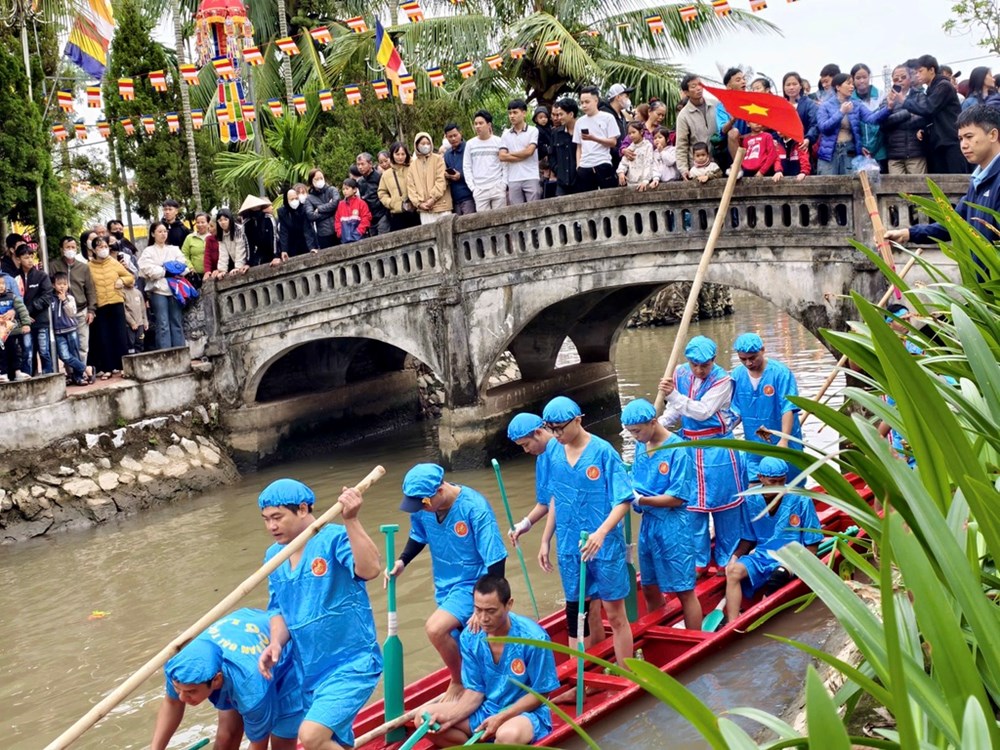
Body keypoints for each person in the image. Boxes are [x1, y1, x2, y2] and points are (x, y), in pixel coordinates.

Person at [256, 479, 382, 750]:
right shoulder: (273, 556)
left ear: (302, 509)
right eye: (266, 519)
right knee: (333, 742)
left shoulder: (333, 538)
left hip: (351, 663)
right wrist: (276, 643)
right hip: (310, 669)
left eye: (277, 517)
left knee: (311, 735)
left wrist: (352, 521)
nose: (271, 526)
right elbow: (278, 608)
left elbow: (370, 569)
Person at [386, 463, 507, 698]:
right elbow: (418, 536)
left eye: (422, 503)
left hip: (474, 584)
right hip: (445, 586)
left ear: (440, 490)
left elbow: (496, 560)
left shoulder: (474, 508)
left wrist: (481, 606)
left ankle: (458, 680)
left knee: (435, 629)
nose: (419, 508)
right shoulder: (423, 507)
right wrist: (402, 561)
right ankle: (477, 681)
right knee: (461, 639)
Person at [540, 395, 634, 668]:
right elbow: (556, 497)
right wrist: (545, 539)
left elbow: (623, 500)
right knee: (581, 613)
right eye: (551, 429)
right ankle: (588, 678)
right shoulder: (553, 453)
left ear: (578, 420)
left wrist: (602, 532)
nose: (556, 434)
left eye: (560, 428)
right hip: (571, 545)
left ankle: (627, 676)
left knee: (615, 615)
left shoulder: (603, 452)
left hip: (604, 545)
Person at [506, 413, 607, 649]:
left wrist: (545, 539)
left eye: (526, 444)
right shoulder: (544, 458)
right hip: (569, 534)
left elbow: (563, 497)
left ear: (539, 433)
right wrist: (526, 524)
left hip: (591, 530)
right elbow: (549, 500)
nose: (526, 450)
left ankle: (585, 662)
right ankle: (597, 656)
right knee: (586, 602)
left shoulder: (569, 450)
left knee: (584, 603)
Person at [420, 576, 559, 747]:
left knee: (507, 736)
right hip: (487, 709)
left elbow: (541, 693)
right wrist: (450, 717)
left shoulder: (534, 638)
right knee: (424, 718)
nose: (483, 618)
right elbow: (475, 691)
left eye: (491, 611)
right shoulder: (470, 636)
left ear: (509, 605)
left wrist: (501, 717)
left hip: (524, 714)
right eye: (478, 610)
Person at [152, 607, 303, 750]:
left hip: (283, 657)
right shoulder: (180, 668)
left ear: (216, 680)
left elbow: (258, 745)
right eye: (178, 689)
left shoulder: (252, 693)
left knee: (281, 743)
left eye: (191, 692)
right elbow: (172, 704)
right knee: (225, 739)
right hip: (240, 635)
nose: (183, 697)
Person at [658, 336, 747, 572]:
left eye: (705, 365)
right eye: (694, 365)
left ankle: (726, 558)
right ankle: (698, 560)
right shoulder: (680, 373)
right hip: (689, 449)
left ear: (713, 361)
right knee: (692, 506)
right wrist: (659, 426)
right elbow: (675, 409)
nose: (699, 370)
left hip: (718, 448)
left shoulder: (722, 380)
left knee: (725, 505)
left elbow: (702, 411)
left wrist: (672, 395)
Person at [621, 399, 702, 629]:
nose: (635, 436)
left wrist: (641, 499)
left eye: (637, 431)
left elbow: (677, 497)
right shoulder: (640, 446)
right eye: (630, 432)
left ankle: (694, 641)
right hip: (649, 523)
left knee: (684, 589)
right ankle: (660, 634)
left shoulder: (677, 449)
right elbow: (637, 481)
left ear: (653, 422)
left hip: (673, 525)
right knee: (649, 585)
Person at [885, 105, 1000, 248]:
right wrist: (909, 233)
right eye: (960, 139)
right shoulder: (977, 180)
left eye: (969, 137)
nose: (963, 145)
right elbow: (954, 223)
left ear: (993, 135)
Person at [724, 458, 822, 622]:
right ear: (761, 477)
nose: (777, 486)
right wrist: (734, 558)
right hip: (763, 553)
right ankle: (732, 622)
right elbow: (747, 538)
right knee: (734, 572)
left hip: (792, 553)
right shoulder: (750, 500)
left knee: (779, 574)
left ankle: (761, 615)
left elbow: (812, 542)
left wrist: (806, 564)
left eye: (781, 481)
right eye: (772, 481)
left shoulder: (801, 499)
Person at [729, 332, 803, 482]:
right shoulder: (737, 375)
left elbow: (788, 408)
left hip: (781, 442)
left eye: (752, 358)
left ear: (762, 350)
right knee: (756, 486)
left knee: (789, 483)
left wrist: (784, 440)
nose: (748, 363)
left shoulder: (780, 373)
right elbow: (735, 411)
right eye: (743, 359)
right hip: (755, 444)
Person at [894, 54, 966, 174]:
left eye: (920, 71)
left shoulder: (943, 86)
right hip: (939, 141)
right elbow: (931, 115)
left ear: (931, 70)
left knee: (955, 179)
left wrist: (904, 101)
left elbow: (929, 108)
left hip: (950, 140)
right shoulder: (932, 88)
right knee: (940, 182)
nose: (918, 75)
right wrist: (922, 127)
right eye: (916, 72)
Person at [816, 73, 889, 176]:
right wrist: (841, 112)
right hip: (829, 153)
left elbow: (871, 118)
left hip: (849, 150)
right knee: (828, 187)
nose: (852, 86)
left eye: (852, 84)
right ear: (838, 87)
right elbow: (823, 128)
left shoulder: (856, 104)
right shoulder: (825, 106)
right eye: (848, 83)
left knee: (850, 185)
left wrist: (888, 108)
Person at [86, 235, 134, 378]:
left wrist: (122, 280)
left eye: (106, 246)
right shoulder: (88, 267)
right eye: (100, 247)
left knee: (120, 335)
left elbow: (130, 277)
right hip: (100, 305)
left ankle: (123, 367)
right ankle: (108, 367)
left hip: (116, 302)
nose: (104, 249)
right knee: (103, 337)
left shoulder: (113, 263)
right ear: (94, 249)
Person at [139, 221, 191, 350]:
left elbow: (183, 267)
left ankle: (180, 351)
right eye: (160, 231)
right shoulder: (148, 251)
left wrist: (166, 269)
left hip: (175, 289)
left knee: (176, 321)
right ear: (153, 234)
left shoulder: (174, 249)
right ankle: (165, 352)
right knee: (162, 323)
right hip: (158, 290)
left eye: (165, 231)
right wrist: (166, 271)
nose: (163, 234)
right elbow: (146, 269)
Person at [50, 236, 96, 366]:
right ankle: (74, 373)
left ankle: (80, 374)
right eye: (67, 247)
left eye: (73, 247)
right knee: (67, 347)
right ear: (61, 249)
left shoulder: (83, 268)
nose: (71, 250)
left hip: (81, 311)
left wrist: (91, 310)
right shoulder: (54, 266)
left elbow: (90, 290)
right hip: (62, 313)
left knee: (82, 345)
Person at [15, 245, 54, 376]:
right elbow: (14, 299)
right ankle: (28, 378)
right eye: (26, 257)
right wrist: (24, 316)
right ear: (19, 259)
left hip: (41, 320)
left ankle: (49, 377)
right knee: (27, 352)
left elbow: (47, 297)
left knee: (44, 351)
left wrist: (28, 310)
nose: (30, 260)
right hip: (24, 323)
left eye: (32, 257)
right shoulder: (15, 278)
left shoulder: (41, 276)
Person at [883, 65, 929, 175]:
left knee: (918, 189)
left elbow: (923, 117)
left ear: (910, 78)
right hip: (894, 154)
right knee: (897, 191)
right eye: (895, 78)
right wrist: (908, 113)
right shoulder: (888, 98)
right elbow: (884, 122)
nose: (899, 80)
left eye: (903, 77)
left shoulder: (919, 96)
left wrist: (895, 121)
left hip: (915, 152)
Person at [574, 86, 620, 192]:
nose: (584, 105)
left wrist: (594, 138)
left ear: (596, 101)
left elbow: (613, 142)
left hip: (603, 162)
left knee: (608, 196)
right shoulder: (579, 121)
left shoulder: (608, 118)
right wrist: (578, 165)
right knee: (587, 199)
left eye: (587, 102)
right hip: (584, 166)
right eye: (582, 102)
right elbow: (579, 146)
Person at [676, 74, 718, 179]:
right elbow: (681, 144)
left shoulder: (715, 105)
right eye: (693, 86)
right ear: (686, 92)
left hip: (717, 164)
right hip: (697, 169)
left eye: (699, 84)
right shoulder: (683, 115)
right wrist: (683, 169)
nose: (698, 88)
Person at [51, 272, 90, 385]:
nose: (62, 286)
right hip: (58, 332)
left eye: (64, 284)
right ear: (54, 285)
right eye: (59, 284)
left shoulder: (70, 298)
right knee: (64, 356)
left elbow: (72, 312)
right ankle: (86, 369)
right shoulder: (51, 299)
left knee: (75, 353)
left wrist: (64, 300)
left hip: (71, 329)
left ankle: (78, 377)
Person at [463, 110, 507, 211]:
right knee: (483, 223)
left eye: (481, 123)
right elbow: (467, 166)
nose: (478, 126)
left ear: (489, 125)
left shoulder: (499, 141)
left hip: (497, 187)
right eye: (476, 124)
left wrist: (503, 184)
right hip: (479, 190)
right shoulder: (470, 144)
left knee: (501, 219)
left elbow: (505, 164)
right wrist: (473, 188)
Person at [499, 99, 540, 204]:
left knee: (535, 209)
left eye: (515, 112)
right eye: (510, 113)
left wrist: (510, 154)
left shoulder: (533, 131)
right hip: (513, 178)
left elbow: (530, 152)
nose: (512, 116)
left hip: (531, 176)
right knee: (516, 211)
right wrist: (524, 153)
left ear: (524, 113)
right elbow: (502, 156)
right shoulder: (506, 134)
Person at [407, 132, 453, 224]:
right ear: (417, 145)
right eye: (423, 144)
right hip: (424, 210)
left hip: (442, 206)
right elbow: (410, 187)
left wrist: (432, 199)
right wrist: (419, 204)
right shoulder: (412, 166)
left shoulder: (438, 159)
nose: (426, 146)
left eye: (428, 143)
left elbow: (441, 181)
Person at [851, 63, 888, 171]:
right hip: (860, 151)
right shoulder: (850, 100)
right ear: (853, 79)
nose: (862, 81)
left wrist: (874, 147)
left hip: (881, 149)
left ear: (869, 77)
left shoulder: (881, 95)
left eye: (864, 77)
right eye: (858, 78)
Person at [378, 142, 420, 231]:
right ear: (392, 155)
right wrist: (391, 203)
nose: (400, 157)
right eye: (397, 154)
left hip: (415, 211)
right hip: (397, 214)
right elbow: (382, 193)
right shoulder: (386, 174)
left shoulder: (413, 168)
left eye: (403, 154)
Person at [0, 273, 30, 382]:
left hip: (12, 331)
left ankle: (18, 372)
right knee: (2, 354)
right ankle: (3, 373)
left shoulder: (11, 296)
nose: (1, 286)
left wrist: (26, 323)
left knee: (15, 352)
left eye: (3, 283)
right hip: (0, 335)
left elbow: (22, 309)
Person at [716, 68, 750, 166]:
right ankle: (738, 168)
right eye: (738, 80)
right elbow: (723, 130)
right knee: (733, 132)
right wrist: (733, 119)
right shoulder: (722, 105)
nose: (743, 82)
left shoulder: (752, 100)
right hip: (732, 142)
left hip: (751, 136)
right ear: (729, 86)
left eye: (744, 79)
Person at [443, 124, 476, 215]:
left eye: (455, 135)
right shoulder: (447, 154)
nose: (453, 139)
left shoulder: (468, 148)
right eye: (450, 136)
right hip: (455, 199)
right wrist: (447, 175)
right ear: (446, 137)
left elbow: (476, 170)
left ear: (460, 133)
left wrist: (460, 175)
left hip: (469, 196)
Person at [782, 72, 818, 156]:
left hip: (803, 147)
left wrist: (808, 138)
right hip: (784, 149)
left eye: (794, 84)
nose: (791, 87)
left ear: (800, 86)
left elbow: (814, 124)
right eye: (788, 85)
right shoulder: (781, 105)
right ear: (783, 87)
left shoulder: (809, 104)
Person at [303, 170, 340, 250]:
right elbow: (311, 215)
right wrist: (331, 211)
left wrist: (319, 209)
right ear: (311, 181)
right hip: (324, 234)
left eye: (321, 178)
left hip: (338, 229)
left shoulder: (332, 190)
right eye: (316, 179)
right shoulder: (309, 198)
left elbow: (335, 203)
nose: (319, 180)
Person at [356, 153, 391, 236]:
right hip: (370, 219)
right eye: (358, 164)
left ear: (370, 164)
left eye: (362, 164)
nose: (360, 167)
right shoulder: (360, 182)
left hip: (382, 216)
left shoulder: (379, 177)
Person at [241, 196, 281, 268]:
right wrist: (248, 263)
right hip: (259, 253)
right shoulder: (246, 224)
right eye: (253, 207)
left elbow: (274, 237)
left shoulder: (268, 218)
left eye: (257, 206)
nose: (256, 208)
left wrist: (276, 256)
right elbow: (248, 244)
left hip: (273, 249)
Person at [549, 99, 578, 196]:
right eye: (557, 115)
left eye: (561, 114)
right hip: (561, 183)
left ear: (571, 114)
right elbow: (551, 156)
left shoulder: (583, 131)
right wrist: (558, 170)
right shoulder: (556, 133)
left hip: (580, 181)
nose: (558, 118)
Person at [277, 187, 314, 261]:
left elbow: (307, 229)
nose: (295, 201)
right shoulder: (282, 212)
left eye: (296, 198)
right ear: (287, 201)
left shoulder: (303, 209)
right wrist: (284, 250)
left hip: (305, 242)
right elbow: (284, 232)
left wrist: (312, 248)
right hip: (292, 244)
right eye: (292, 199)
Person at [616, 120, 654, 190]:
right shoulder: (630, 148)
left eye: (634, 132)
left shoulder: (648, 146)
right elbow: (624, 162)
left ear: (641, 132)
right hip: (631, 182)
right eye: (629, 133)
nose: (631, 135)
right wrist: (621, 172)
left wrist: (646, 180)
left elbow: (648, 163)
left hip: (644, 182)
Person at [213, 207, 250, 274]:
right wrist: (222, 270)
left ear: (230, 219)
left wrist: (238, 267)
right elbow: (223, 253)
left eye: (225, 219)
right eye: (220, 220)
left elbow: (240, 249)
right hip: (234, 260)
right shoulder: (221, 234)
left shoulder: (239, 230)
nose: (223, 222)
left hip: (247, 262)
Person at [334, 179, 372, 243]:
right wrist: (340, 233)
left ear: (354, 189)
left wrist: (358, 232)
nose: (345, 191)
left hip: (360, 237)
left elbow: (366, 218)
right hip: (345, 239)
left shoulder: (361, 203)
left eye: (347, 189)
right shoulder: (340, 205)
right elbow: (337, 221)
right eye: (343, 189)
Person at [181, 212, 211, 280]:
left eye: (203, 222)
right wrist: (190, 267)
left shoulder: (213, 237)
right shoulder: (190, 237)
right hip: (194, 275)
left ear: (208, 223)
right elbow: (184, 254)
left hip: (211, 274)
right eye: (198, 222)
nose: (200, 225)